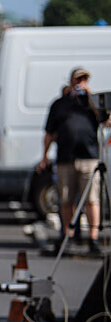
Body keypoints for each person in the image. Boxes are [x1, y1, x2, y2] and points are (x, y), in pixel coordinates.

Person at [39, 67, 109, 254]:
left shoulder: (91, 103)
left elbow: (106, 121)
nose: (80, 84)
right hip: (66, 158)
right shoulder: (60, 104)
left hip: (89, 157)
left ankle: (93, 238)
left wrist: (91, 99)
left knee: (92, 199)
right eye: (78, 80)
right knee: (66, 199)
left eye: (84, 80)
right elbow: (48, 132)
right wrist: (44, 156)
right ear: (70, 82)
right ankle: (67, 236)